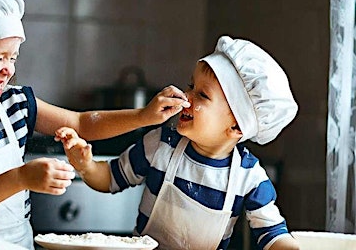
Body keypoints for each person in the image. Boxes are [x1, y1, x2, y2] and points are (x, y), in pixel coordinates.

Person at [0, 0, 188, 249]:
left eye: (13, 57)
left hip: (17, 244)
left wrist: (143, 116)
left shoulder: (16, 105)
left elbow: (82, 122)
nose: (8, 69)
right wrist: (21, 177)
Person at [55, 36, 300, 250]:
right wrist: (86, 165)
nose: (186, 97)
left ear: (236, 126)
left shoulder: (249, 177)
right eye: (191, 86)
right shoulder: (161, 145)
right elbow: (109, 178)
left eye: (202, 95)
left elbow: (273, 235)